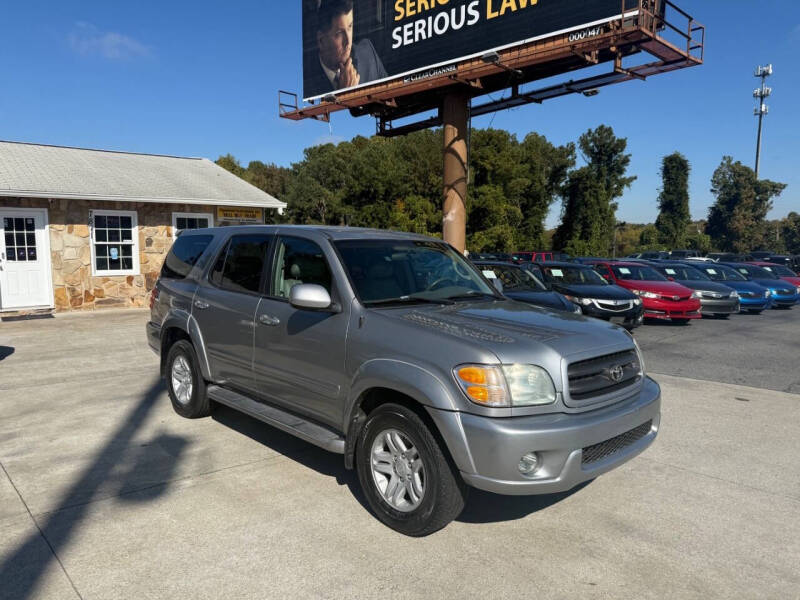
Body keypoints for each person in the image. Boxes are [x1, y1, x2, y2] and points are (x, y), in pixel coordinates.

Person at [310, 0, 387, 97]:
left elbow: (393, 94)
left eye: (350, 26)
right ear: (321, 41)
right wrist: (344, 96)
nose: (348, 41)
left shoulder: (367, 52)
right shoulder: (307, 84)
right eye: (339, 33)